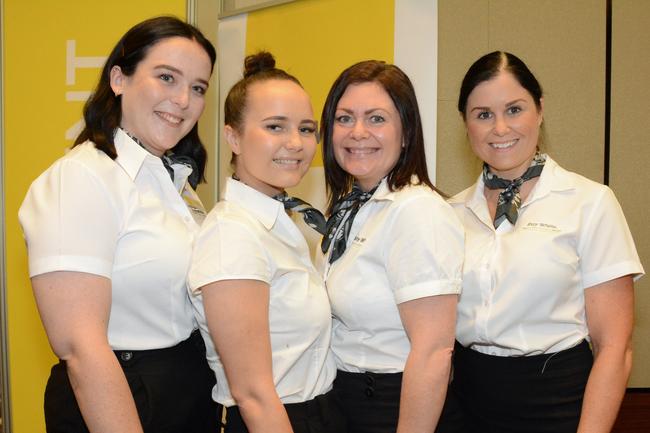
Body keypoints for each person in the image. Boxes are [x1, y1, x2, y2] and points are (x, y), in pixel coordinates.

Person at [19, 16, 221, 433]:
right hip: (120, 396)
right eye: (167, 77)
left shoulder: (173, 180)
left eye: (198, 87)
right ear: (118, 79)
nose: (183, 100)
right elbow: (81, 349)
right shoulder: (80, 178)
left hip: (184, 386)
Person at [437, 51, 644, 433]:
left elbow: (615, 347)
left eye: (514, 109)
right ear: (465, 124)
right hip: (463, 407)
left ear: (540, 109)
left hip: (556, 405)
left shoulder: (589, 203)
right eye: (483, 114)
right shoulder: (449, 214)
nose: (500, 128)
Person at [188, 51, 344, 433]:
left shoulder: (278, 222)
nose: (296, 142)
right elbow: (253, 394)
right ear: (233, 137)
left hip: (317, 413)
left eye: (307, 129)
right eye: (275, 127)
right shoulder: (233, 235)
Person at [319, 60, 464, 433]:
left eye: (377, 118)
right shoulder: (351, 207)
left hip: (392, 407)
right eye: (344, 118)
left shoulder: (417, 211)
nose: (357, 132)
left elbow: (434, 352)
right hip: (345, 398)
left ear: (406, 132)